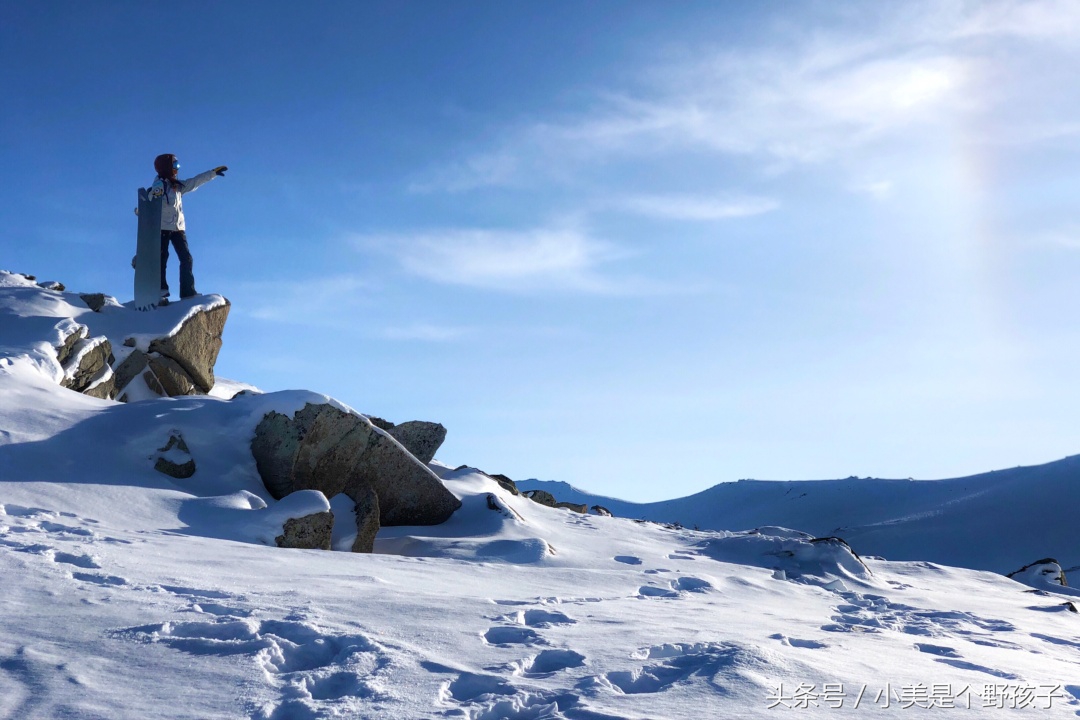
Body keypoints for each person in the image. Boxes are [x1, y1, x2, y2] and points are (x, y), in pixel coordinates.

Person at [149, 153, 227, 302]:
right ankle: (159, 290)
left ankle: (187, 291)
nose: (177, 169)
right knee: (162, 258)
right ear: (166, 167)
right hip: (163, 227)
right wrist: (142, 207)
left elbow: (194, 182)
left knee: (187, 258)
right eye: (175, 165)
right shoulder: (159, 186)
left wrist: (213, 173)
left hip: (178, 228)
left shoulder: (177, 187)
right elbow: (150, 202)